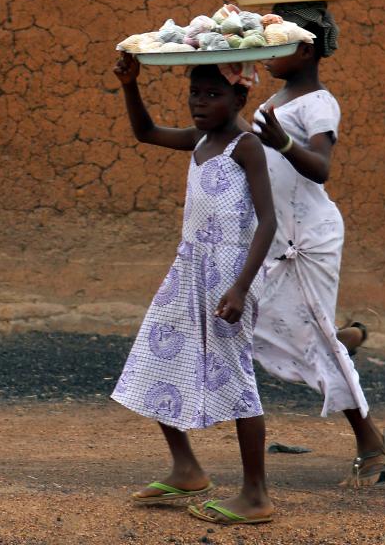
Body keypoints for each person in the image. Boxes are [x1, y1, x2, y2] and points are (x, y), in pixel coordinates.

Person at [110, 53, 277, 524]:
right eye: (194, 94)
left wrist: (242, 287)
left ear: (240, 97)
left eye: (212, 94)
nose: (199, 104)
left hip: (229, 278)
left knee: (236, 377)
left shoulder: (244, 146)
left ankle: (256, 494)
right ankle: (186, 467)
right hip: (189, 269)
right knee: (156, 356)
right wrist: (130, 86)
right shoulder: (200, 139)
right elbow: (145, 133)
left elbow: (268, 221)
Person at [250, 1, 385, 487]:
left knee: (310, 333)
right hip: (273, 233)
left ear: (306, 49)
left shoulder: (318, 104)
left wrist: (283, 144)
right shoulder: (273, 101)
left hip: (305, 237)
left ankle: (369, 439)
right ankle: (342, 337)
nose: (268, 52)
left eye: (279, 44)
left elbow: (321, 166)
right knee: (260, 320)